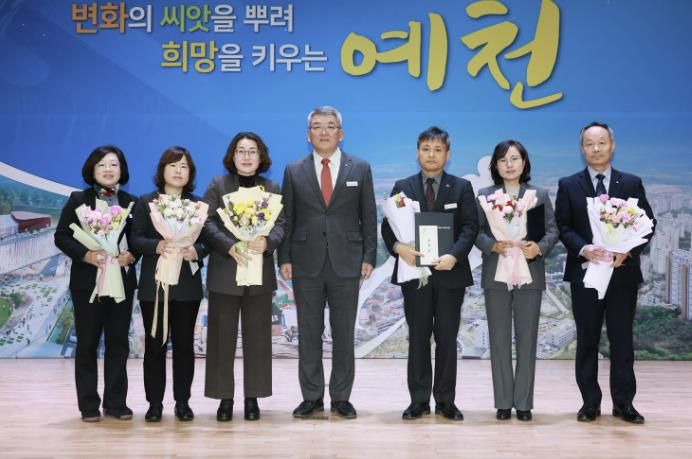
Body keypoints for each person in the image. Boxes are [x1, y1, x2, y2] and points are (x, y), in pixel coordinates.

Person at [278, 106, 377, 419]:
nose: (324, 131)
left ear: (341, 133)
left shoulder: (360, 168)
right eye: (317, 126)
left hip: (347, 261)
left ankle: (341, 398)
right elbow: (286, 217)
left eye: (330, 126)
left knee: (343, 333)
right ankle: (311, 397)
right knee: (309, 332)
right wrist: (284, 257)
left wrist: (369, 256)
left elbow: (369, 216)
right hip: (305, 261)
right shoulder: (293, 170)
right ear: (308, 135)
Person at [555, 122, 655, 424]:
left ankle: (624, 403)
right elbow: (563, 226)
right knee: (587, 340)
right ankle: (590, 403)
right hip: (585, 274)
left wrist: (629, 250)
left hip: (622, 274)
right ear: (582, 148)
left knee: (622, 340)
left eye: (601, 142)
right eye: (589, 143)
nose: (596, 148)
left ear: (612, 145)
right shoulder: (568, 185)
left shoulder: (631, 183)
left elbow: (648, 223)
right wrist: (584, 248)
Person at [381, 126, 478, 421]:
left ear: (447, 155)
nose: (431, 155)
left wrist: (454, 255)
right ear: (417, 153)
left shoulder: (461, 187)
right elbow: (388, 226)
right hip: (415, 275)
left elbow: (470, 227)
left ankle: (446, 401)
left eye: (437, 149)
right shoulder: (403, 186)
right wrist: (399, 247)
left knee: (447, 339)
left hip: (450, 274)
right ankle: (419, 400)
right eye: (426, 149)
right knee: (419, 337)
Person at [203, 132, 285, 421]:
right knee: (220, 339)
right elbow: (207, 222)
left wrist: (268, 241)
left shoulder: (271, 187)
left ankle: (253, 398)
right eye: (241, 151)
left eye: (252, 151)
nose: (247, 156)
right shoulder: (218, 185)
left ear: (261, 157)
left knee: (258, 339)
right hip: (226, 271)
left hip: (259, 272)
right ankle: (224, 398)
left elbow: (281, 223)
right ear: (232, 156)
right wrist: (229, 245)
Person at [475, 140, 558, 421]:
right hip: (496, 273)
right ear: (495, 166)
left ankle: (523, 403)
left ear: (524, 163)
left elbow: (551, 231)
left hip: (529, 273)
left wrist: (539, 248)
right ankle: (502, 402)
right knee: (498, 339)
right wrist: (491, 245)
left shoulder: (539, 195)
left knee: (527, 339)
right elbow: (475, 231)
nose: (509, 164)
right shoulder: (485, 195)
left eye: (514, 158)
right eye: (503, 160)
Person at [54, 145, 138, 422]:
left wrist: (132, 255)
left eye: (114, 164)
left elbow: (138, 239)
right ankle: (88, 404)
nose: (108, 169)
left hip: (121, 283)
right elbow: (61, 236)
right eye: (102, 164)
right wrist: (86, 255)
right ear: (92, 169)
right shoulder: (78, 200)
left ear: (122, 170)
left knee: (118, 343)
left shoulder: (131, 202)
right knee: (87, 343)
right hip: (87, 283)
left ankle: (116, 403)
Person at [130, 146, 208, 422]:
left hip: (187, 286)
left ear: (190, 173)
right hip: (155, 286)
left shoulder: (198, 205)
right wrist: (157, 245)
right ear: (162, 170)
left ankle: (182, 403)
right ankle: (154, 404)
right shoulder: (146, 202)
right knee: (155, 346)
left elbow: (207, 241)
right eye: (173, 165)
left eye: (184, 166)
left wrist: (196, 250)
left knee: (185, 347)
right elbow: (135, 238)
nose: (178, 171)